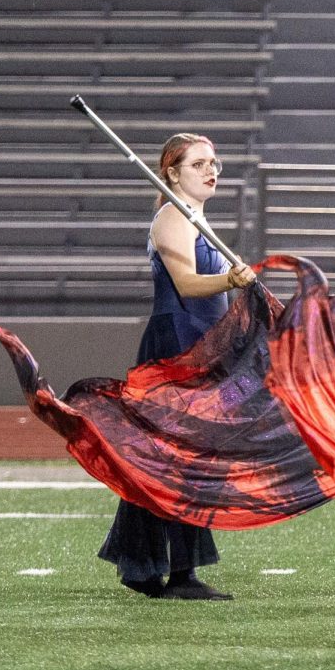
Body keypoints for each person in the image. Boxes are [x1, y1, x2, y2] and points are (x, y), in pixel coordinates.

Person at [98, 133, 256, 600]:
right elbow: (187, 285)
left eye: (215, 163)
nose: (211, 171)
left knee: (178, 458)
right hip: (176, 341)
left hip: (201, 342)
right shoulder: (172, 217)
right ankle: (177, 572)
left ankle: (144, 566)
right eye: (199, 164)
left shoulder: (195, 216)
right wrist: (229, 278)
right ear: (171, 173)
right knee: (178, 458)